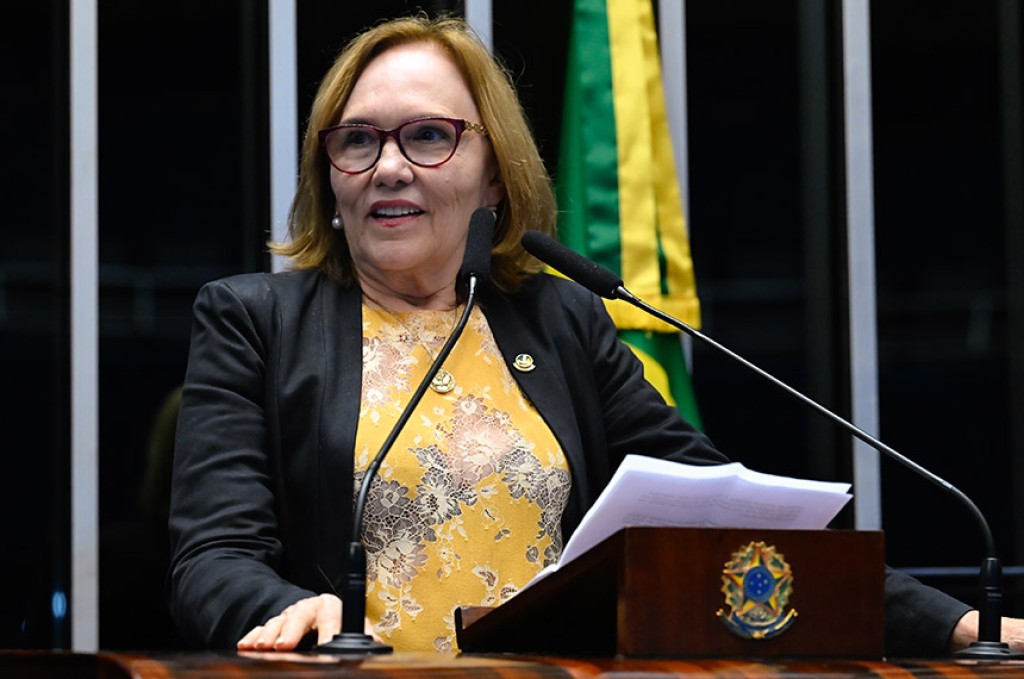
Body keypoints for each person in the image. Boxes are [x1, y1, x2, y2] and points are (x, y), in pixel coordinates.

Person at [167, 14, 1024, 657]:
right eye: (357, 141)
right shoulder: (255, 323)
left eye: (428, 136)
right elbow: (212, 555)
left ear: (494, 173)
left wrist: (954, 622)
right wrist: (282, 609)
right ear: (331, 174)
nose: (388, 166)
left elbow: (722, 519)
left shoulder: (561, 320)